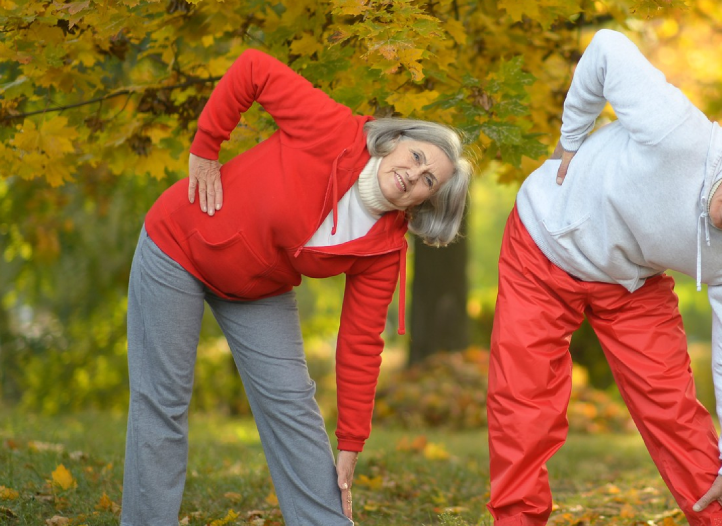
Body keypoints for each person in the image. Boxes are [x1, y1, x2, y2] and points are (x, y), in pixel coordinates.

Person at [486, 29, 722, 526]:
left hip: (631, 282)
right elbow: (606, 47)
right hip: (544, 244)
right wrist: (571, 136)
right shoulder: (678, 132)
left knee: (671, 409)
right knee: (523, 404)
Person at [121, 48, 472, 526]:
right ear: (396, 141)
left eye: (428, 179)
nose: (413, 173)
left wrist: (351, 443)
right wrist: (205, 147)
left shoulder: (385, 247)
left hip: (257, 286)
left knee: (293, 406)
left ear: (427, 200)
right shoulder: (333, 130)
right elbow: (253, 68)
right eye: (416, 156)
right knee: (162, 402)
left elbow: (360, 344)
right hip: (179, 246)